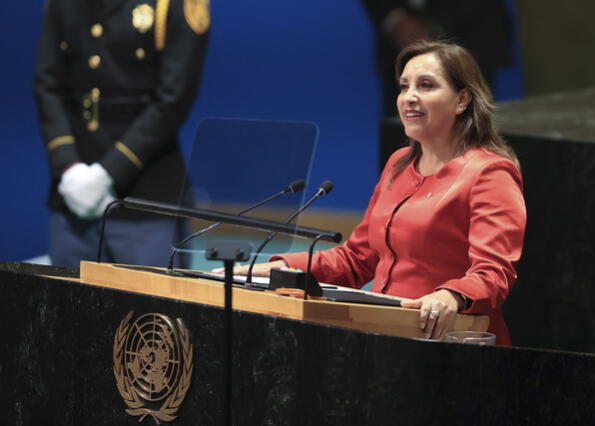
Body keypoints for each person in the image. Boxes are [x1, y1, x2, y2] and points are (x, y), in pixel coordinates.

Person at [229, 41, 526, 345]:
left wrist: (450, 295)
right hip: (384, 335)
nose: (409, 97)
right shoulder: (398, 163)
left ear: (462, 99)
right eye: (404, 86)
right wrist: (282, 268)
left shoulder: (489, 172)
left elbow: (494, 272)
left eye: (426, 86)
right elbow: (357, 259)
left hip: (453, 340)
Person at [34, 0, 209, 267]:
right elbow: (47, 84)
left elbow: (172, 100)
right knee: (64, 305)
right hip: (72, 191)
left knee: (148, 308)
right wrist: (68, 166)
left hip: (145, 199)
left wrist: (106, 175)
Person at [360, 0, 513, 115]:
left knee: (470, 128)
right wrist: (395, 19)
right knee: (406, 140)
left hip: (474, 33)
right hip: (400, 47)